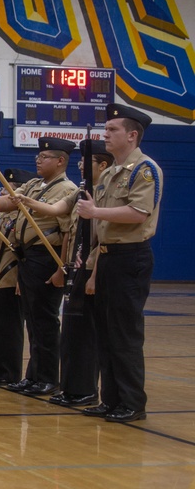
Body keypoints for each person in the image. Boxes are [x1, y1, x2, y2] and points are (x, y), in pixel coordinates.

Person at [0, 138, 76, 396]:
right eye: (38, 156)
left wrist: (61, 268)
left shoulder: (66, 189)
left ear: (61, 161)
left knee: (45, 320)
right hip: (28, 256)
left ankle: (49, 377)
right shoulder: (33, 184)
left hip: (46, 256)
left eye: (45, 156)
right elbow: (9, 201)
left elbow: (66, 233)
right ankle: (34, 376)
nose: (38, 160)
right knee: (32, 320)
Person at [78, 104, 162, 423]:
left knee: (125, 333)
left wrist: (95, 213)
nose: (106, 134)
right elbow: (102, 229)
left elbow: (138, 214)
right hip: (109, 258)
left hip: (131, 257)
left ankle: (132, 402)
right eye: (106, 128)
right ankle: (110, 398)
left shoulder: (144, 170)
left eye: (113, 129)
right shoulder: (111, 172)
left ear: (132, 135)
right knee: (106, 332)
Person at [18, 141, 113, 407]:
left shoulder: (100, 195)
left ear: (103, 165)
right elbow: (57, 210)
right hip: (75, 267)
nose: (81, 165)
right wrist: (25, 200)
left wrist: (84, 273)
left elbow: (98, 238)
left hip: (91, 266)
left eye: (87, 161)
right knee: (71, 332)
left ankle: (85, 390)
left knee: (84, 332)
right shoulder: (82, 192)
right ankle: (72, 387)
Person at [0, 168, 33, 387]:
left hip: (12, 278)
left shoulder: (23, 216)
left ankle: (10, 371)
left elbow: (25, 252)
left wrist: (22, 279)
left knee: (10, 328)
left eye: (10, 188)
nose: (4, 191)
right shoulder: (4, 215)